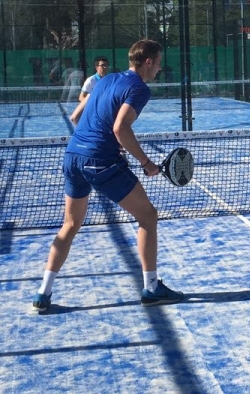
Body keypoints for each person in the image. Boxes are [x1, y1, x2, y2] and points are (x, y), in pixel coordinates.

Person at [32, 39, 183, 312]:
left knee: (70, 224)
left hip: (73, 156)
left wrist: (106, 145)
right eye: (158, 62)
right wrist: (146, 162)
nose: (160, 68)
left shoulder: (106, 79)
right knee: (148, 216)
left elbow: (77, 117)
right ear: (147, 61)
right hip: (99, 161)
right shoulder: (139, 88)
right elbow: (120, 128)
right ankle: (151, 288)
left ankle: (43, 293)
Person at [70, 56, 110, 125]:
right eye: (102, 65)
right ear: (96, 67)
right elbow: (81, 97)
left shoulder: (109, 80)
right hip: (92, 112)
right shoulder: (91, 80)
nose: (104, 67)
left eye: (106, 65)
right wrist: (93, 106)